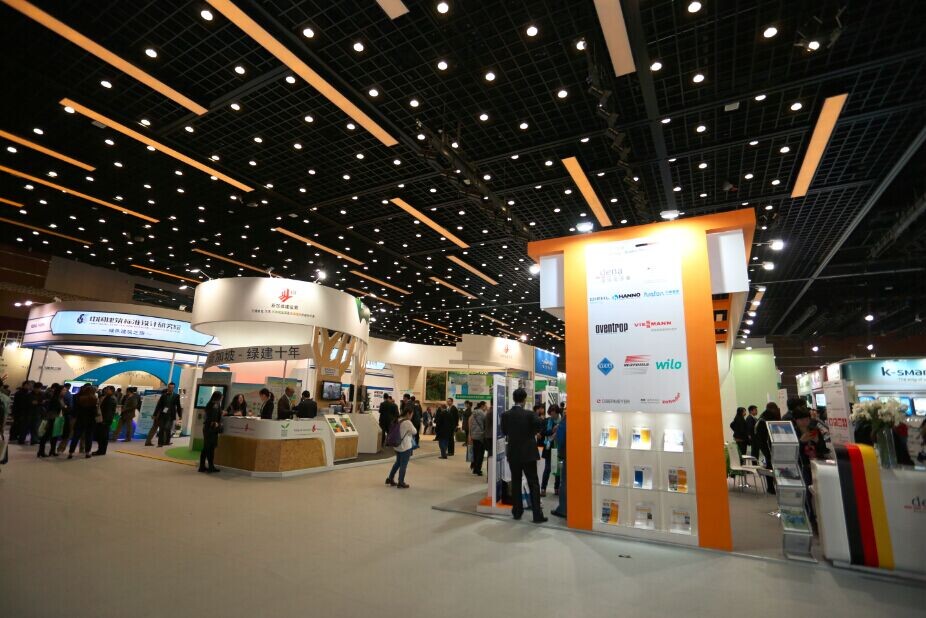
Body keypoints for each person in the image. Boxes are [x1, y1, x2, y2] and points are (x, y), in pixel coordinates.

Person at [501, 388, 546, 523]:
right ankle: (537, 515)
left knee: (515, 482)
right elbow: (539, 427)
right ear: (524, 399)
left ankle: (517, 511)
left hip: (513, 453)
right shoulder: (530, 414)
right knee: (533, 483)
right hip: (529, 453)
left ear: (513, 398)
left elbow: (504, 431)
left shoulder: (505, 415)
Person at [752, 402, 781, 494]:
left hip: (765, 446)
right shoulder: (766, 419)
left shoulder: (761, 418)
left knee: (769, 464)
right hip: (768, 446)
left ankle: (771, 486)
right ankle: (771, 487)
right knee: (770, 465)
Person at [385, 406, 417, 489]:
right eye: (411, 414)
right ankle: (401, 482)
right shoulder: (407, 422)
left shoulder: (397, 419)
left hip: (397, 446)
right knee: (403, 465)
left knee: (397, 463)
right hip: (405, 447)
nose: (412, 416)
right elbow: (415, 432)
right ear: (408, 413)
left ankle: (390, 478)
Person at [68, 385, 98, 459]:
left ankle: (71, 453)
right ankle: (87, 453)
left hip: (80, 420)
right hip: (90, 420)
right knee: (88, 437)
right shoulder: (94, 399)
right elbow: (95, 412)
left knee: (76, 436)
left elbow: (76, 410)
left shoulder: (80, 398)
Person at [150, 382, 182, 447]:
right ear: (168, 387)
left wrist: (180, 415)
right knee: (161, 428)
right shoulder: (163, 395)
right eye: (169, 387)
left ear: (174, 388)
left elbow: (178, 406)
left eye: (172, 387)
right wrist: (155, 414)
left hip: (171, 415)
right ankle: (160, 443)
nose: (170, 388)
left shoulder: (176, 396)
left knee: (167, 428)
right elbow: (158, 406)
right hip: (163, 414)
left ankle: (167, 441)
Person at [37, 383, 65, 457]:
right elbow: (55, 408)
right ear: (59, 391)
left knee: (55, 435)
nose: (65, 391)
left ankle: (52, 451)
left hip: (57, 418)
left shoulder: (60, 398)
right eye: (63, 390)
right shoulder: (55, 399)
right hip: (52, 418)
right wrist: (65, 407)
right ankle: (41, 451)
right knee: (47, 435)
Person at [540, 405, 562, 496]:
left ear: (557, 413)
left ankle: (556, 488)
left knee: (558, 469)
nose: (552, 416)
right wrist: (552, 431)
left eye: (553, 414)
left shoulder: (562, 421)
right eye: (550, 414)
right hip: (549, 448)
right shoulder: (547, 421)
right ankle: (543, 488)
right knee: (547, 469)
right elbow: (543, 432)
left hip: (559, 447)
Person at [199, 391, 223, 473]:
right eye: (221, 396)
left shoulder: (211, 404)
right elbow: (212, 418)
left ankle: (203, 466)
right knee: (209, 448)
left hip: (208, 428)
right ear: (218, 397)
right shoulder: (215, 405)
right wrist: (215, 424)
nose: (222, 398)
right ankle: (209, 466)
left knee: (207, 448)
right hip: (211, 429)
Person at [551, 408, 567, 518]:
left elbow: (559, 439)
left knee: (564, 482)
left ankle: (563, 509)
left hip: (566, 455)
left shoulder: (564, 422)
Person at [94, 385, 117, 456]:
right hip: (103, 420)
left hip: (105, 421)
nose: (106, 390)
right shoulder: (107, 397)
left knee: (103, 436)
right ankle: (101, 450)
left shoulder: (111, 399)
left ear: (112, 391)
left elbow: (109, 412)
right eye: (106, 389)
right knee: (101, 436)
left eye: (107, 389)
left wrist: (105, 421)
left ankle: (101, 450)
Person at [469, 401, 487, 475]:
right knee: (480, 454)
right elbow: (485, 424)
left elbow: (470, 423)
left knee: (475, 453)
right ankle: (478, 469)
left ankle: (474, 468)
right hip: (480, 436)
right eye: (485, 406)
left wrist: (470, 434)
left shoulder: (473, 413)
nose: (486, 407)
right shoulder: (483, 414)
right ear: (482, 406)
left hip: (474, 435)